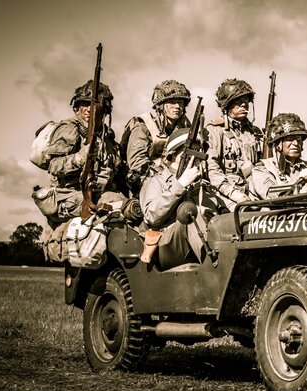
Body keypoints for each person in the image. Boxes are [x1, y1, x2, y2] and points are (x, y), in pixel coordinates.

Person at [139, 128, 220, 270]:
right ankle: (215, 265)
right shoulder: (156, 181)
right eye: (189, 154)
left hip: (202, 241)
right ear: (173, 155)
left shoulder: (203, 185)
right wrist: (180, 184)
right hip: (166, 244)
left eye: (198, 154)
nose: (194, 160)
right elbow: (152, 216)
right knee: (189, 218)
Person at [43, 79, 123, 221]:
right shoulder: (69, 129)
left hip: (102, 193)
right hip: (70, 194)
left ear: (104, 109)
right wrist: (79, 158)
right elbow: (53, 165)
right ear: (77, 107)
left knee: (131, 209)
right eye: (84, 104)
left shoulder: (108, 137)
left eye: (94, 104)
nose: (89, 109)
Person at [123, 80, 192, 194]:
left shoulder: (185, 129)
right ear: (161, 106)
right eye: (172, 102)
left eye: (180, 102)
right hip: (148, 180)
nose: (177, 106)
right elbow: (137, 161)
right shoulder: (144, 126)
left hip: (176, 180)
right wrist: (165, 177)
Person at [250, 113, 307, 199]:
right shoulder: (262, 170)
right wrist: (299, 181)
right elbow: (272, 195)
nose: (296, 143)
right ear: (278, 144)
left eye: (299, 139)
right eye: (290, 139)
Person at [205, 78, 263, 210]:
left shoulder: (256, 132)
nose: (244, 104)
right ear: (227, 105)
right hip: (225, 194)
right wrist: (234, 194)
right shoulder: (215, 130)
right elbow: (212, 170)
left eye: (246, 100)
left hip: (255, 190)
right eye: (238, 101)